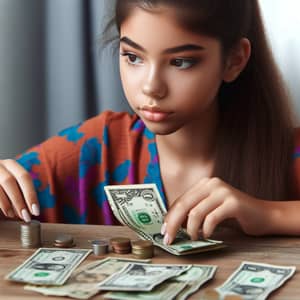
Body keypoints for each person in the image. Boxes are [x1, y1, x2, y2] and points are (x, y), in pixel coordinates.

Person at [0, 0, 300, 246]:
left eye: (180, 62)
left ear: (234, 60)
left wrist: (267, 215)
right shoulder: (95, 147)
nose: (151, 87)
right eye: (132, 57)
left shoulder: (287, 154)